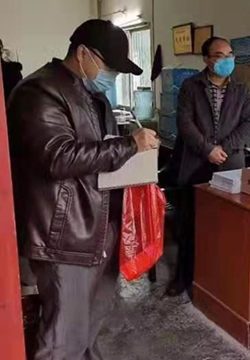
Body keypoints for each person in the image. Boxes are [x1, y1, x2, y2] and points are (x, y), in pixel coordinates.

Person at [7, 19, 159, 360]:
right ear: (83, 53)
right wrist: (129, 145)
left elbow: (99, 149)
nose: (112, 77)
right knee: (64, 334)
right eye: (110, 68)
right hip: (65, 234)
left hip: (99, 224)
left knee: (92, 321)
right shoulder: (39, 92)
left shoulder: (92, 95)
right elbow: (58, 158)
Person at [167, 36, 250, 296]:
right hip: (195, 164)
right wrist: (208, 150)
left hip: (230, 164)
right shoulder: (191, 86)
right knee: (189, 225)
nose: (227, 60)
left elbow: (249, 123)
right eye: (220, 55)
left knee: (225, 226)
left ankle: (217, 282)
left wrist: (224, 149)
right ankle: (184, 277)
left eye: (230, 55)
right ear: (206, 59)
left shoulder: (242, 88)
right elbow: (185, 123)